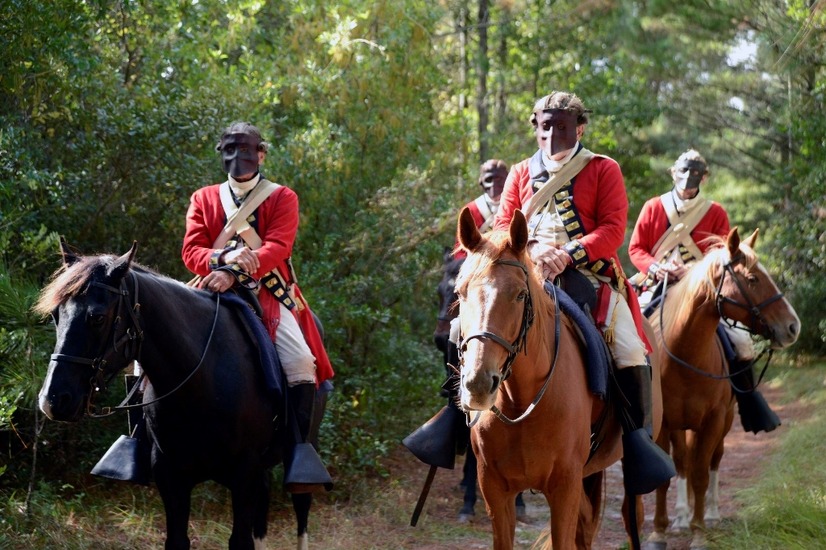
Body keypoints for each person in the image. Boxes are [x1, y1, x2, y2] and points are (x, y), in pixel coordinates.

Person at [491, 90, 675, 495]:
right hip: (527, 278)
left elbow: (613, 228)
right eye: (545, 126)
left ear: (579, 127)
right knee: (467, 331)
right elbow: (503, 225)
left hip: (590, 277)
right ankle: (457, 423)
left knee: (629, 348)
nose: (552, 133)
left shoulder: (603, 169)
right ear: (536, 127)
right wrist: (534, 249)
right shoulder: (521, 173)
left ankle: (637, 442)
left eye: (561, 125)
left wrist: (570, 252)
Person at [181, 121, 334, 491]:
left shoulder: (282, 197)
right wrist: (226, 256)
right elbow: (191, 251)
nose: (238, 157)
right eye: (230, 150)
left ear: (261, 153)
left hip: (268, 291)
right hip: (210, 286)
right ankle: (140, 443)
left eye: (246, 149)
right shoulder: (203, 198)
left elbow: (278, 247)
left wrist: (233, 272)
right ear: (222, 154)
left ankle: (298, 453)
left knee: (300, 362)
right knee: (148, 353)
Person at [628, 149, 780, 434]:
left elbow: (723, 254)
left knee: (742, 343)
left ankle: (749, 403)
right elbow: (636, 249)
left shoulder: (715, 211)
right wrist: (655, 267)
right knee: (627, 336)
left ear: (704, 177)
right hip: (656, 284)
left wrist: (692, 273)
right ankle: (630, 408)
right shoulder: (653, 207)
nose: (688, 178)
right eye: (683, 171)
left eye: (695, 173)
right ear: (673, 172)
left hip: (703, 290)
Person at [452, 159, 509, 260]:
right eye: (489, 179)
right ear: (482, 181)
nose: (494, 184)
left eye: (498, 179)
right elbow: (461, 247)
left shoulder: (515, 205)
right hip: (479, 261)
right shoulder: (471, 209)